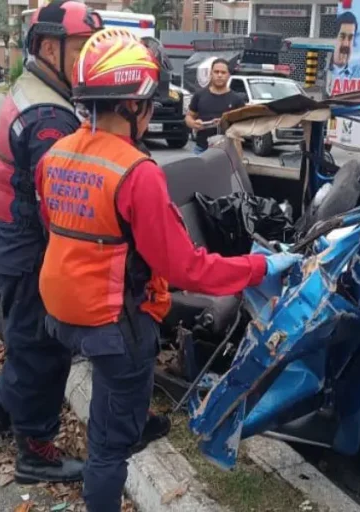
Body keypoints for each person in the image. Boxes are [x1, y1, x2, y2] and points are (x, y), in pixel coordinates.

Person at [37, 28, 302, 511]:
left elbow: (55, 224)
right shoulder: (135, 173)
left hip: (60, 308)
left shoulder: (55, 154)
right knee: (108, 447)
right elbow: (186, 268)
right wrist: (259, 266)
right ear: (132, 105)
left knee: (124, 393)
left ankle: (133, 419)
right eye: (148, 105)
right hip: (112, 323)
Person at [0, 0, 118, 485]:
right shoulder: (49, 117)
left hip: (13, 241)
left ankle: (1, 412)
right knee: (42, 351)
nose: (90, 60)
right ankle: (35, 453)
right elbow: (65, 204)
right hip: (29, 251)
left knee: (25, 342)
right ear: (48, 48)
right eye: (82, 48)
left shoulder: (40, 89)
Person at [185, 58, 246, 154]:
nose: (219, 75)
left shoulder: (237, 99)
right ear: (211, 73)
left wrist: (225, 124)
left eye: (223, 72)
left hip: (227, 151)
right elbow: (189, 116)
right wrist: (193, 123)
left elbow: (244, 126)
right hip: (201, 149)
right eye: (216, 72)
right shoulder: (199, 95)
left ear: (228, 75)